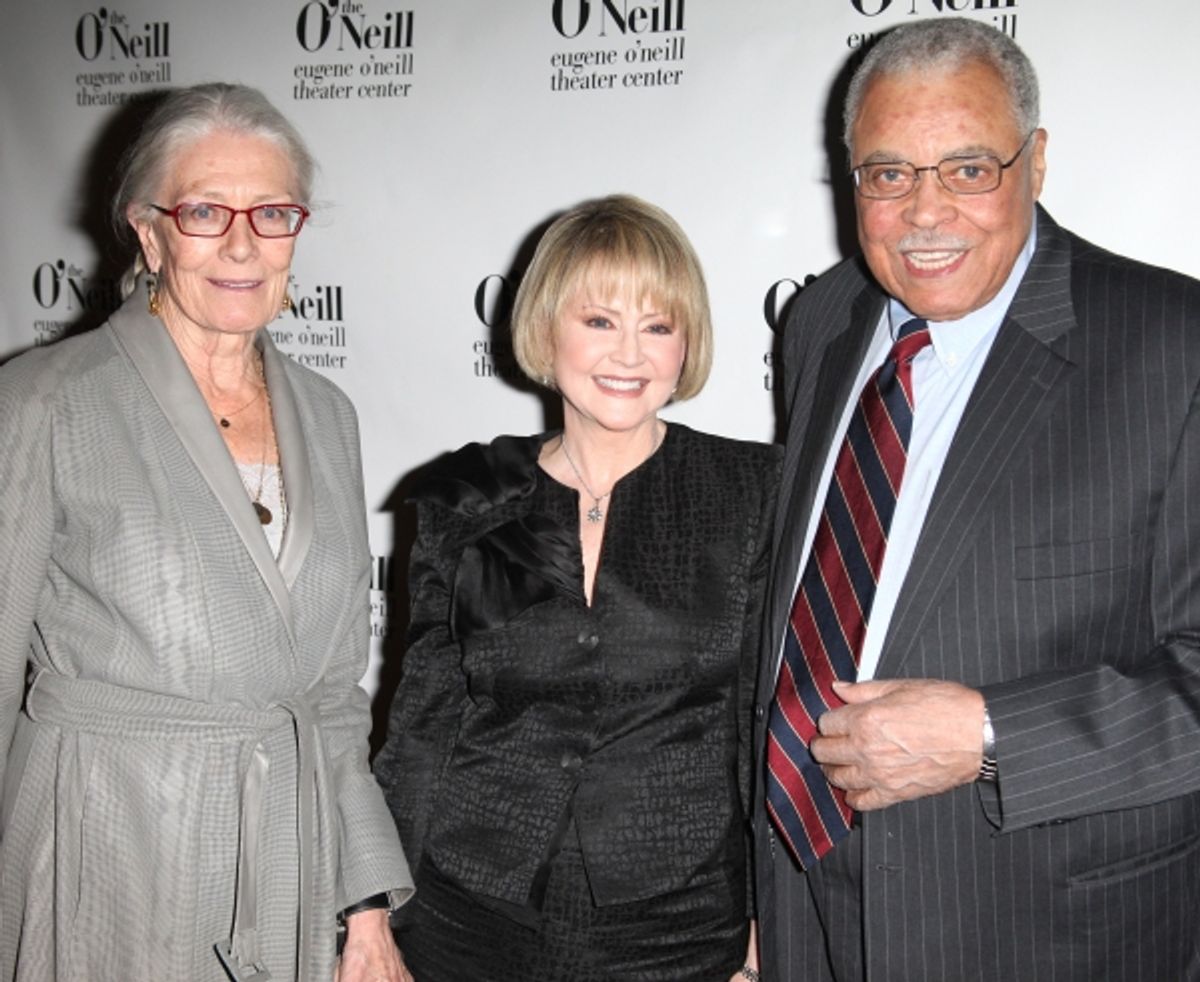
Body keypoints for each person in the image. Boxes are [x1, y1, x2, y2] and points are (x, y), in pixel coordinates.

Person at [754, 16, 1200, 981]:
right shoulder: (822, 320)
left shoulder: (1176, 346)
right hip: (807, 903)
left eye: (967, 168)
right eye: (888, 173)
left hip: (1045, 929)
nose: (925, 212)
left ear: (1034, 162)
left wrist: (992, 736)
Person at [0, 83, 413, 981]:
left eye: (272, 213)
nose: (241, 244)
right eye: (203, 211)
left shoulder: (329, 415)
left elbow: (332, 696)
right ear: (148, 233)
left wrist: (367, 907)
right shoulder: (42, 401)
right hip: (103, 853)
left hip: (284, 865)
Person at [374, 194, 779, 981]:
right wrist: (374, 913)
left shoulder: (749, 491)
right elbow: (422, 726)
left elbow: (761, 725)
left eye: (657, 326)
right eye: (599, 321)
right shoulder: (474, 494)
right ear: (545, 327)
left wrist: (772, 921)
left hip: (679, 924)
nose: (629, 354)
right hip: (468, 913)